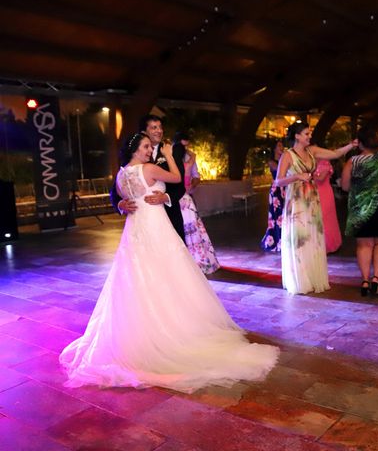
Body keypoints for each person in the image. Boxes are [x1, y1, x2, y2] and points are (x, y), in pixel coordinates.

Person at [60, 132, 278, 393]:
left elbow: (129, 196)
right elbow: (176, 178)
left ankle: (143, 331)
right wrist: (166, 156)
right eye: (145, 146)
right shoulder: (150, 167)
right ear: (135, 150)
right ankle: (173, 328)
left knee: (138, 277)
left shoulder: (121, 175)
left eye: (150, 146)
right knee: (168, 272)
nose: (149, 149)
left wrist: (147, 199)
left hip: (135, 229)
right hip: (154, 226)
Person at [274, 121, 356, 295]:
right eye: (306, 133)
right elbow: (278, 181)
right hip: (296, 202)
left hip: (312, 200)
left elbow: (335, 154)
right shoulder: (288, 155)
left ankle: (313, 277)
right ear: (297, 136)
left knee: (313, 239)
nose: (309, 136)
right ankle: (300, 280)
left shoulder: (313, 151)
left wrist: (351, 145)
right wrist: (296, 176)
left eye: (309, 133)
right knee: (299, 240)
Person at [111, 114, 186, 242]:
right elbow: (116, 188)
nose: (159, 131)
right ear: (144, 132)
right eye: (154, 128)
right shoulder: (132, 158)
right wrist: (120, 204)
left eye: (160, 127)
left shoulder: (171, 151)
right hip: (140, 220)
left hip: (170, 215)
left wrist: (165, 197)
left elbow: (180, 184)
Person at [342, 126, 378, 297]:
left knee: (364, 244)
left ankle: (365, 281)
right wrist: (377, 145)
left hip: (360, 208)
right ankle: (376, 279)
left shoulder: (352, 162)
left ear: (360, 143)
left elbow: (344, 186)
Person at [175, 131, 220, 275]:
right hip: (182, 200)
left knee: (190, 232)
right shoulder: (185, 161)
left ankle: (191, 262)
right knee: (191, 232)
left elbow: (193, 180)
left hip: (184, 200)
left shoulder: (186, 161)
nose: (185, 150)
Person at [261, 141, 285, 252]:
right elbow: (280, 171)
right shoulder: (272, 162)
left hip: (285, 190)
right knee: (277, 216)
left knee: (284, 215)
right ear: (274, 149)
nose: (282, 147)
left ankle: (284, 239)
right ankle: (275, 240)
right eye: (279, 146)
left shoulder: (284, 160)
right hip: (276, 191)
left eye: (282, 145)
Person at [315, 159, 342, 253]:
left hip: (324, 192)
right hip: (312, 192)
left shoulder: (325, 162)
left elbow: (321, 178)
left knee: (326, 217)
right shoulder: (308, 161)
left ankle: (328, 244)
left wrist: (308, 175)